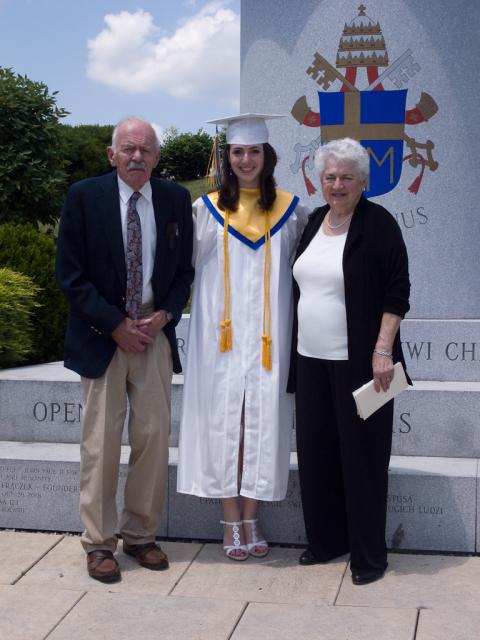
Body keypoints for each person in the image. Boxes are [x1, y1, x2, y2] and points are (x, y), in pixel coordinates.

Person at [56, 117, 194, 583]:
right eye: (129, 149)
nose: (138, 157)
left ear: (157, 156)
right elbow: (70, 275)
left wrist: (165, 315)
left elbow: (183, 274)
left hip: (153, 334)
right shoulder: (84, 196)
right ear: (111, 154)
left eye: (147, 150)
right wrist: (115, 324)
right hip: (102, 335)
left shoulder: (176, 199)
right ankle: (98, 543)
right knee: (102, 440)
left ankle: (140, 535)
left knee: (153, 438)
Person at [177, 114, 309, 560]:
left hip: (270, 341)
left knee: (263, 424)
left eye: (254, 152)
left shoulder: (293, 210)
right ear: (226, 157)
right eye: (238, 152)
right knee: (225, 424)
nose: (246, 159)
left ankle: (253, 516)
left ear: (267, 156)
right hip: (222, 341)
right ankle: (230, 520)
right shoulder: (206, 209)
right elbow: (184, 268)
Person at [288, 137, 411, 585]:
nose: (337, 184)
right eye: (329, 177)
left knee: (363, 460)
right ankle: (326, 542)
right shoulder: (316, 220)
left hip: (362, 365)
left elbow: (397, 291)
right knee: (318, 456)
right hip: (310, 361)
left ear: (362, 181)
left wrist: (383, 350)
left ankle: (368, 557)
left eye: (346, 177)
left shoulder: (379, 224)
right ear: (320, 181)